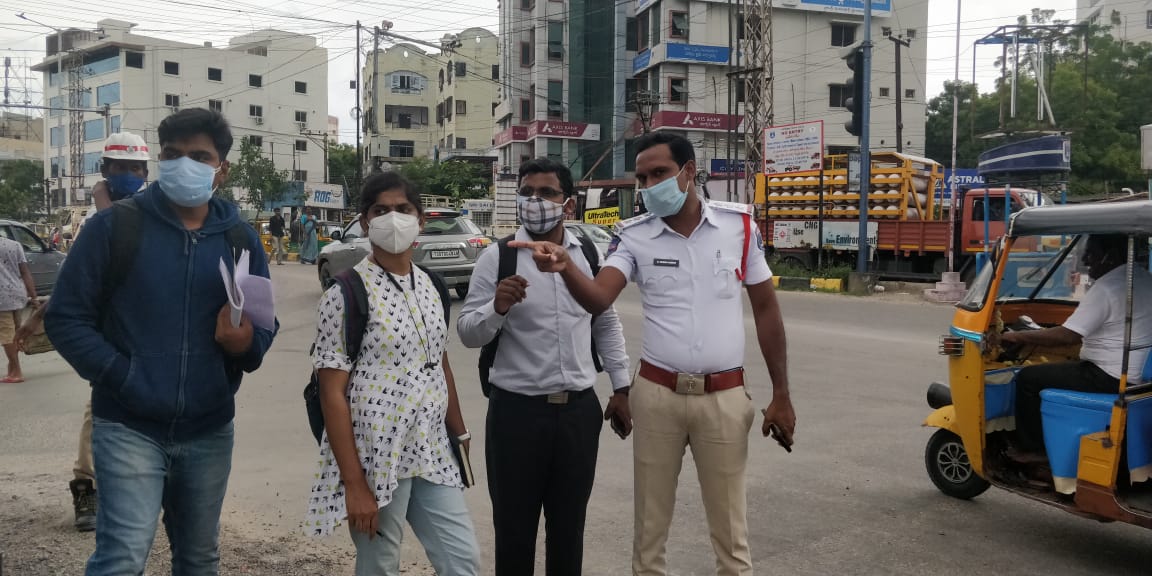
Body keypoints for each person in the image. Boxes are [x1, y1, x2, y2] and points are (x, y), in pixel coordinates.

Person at [511, 132, 795, 576]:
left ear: (689, 171)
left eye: (658, 174)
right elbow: (600, 299)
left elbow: (766, 309)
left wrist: (781, 393)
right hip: (657, 398)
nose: (648, 185)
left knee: (732, 541)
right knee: (649, 537)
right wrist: (566, 267)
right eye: (642, 177)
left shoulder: (739, 228)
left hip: (724, 398)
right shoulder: (633, 236)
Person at [44, 107, 277, 574]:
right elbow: (66, 318)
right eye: (172, 154)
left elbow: (262, 327)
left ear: (222, 169)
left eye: (199, 156)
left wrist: (243, 344)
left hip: (209, 429)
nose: (184, 164)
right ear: (160, 162)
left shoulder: (240, 238)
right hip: (128, 426)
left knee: (198, 557)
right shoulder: (113, 228)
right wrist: (122, 376)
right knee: (122, 557)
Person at [457, 158, 631, 575]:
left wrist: (622, 388)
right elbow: (467, 332)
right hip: (516, 414)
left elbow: (604, 319)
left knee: (569, 532)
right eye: (527, 191)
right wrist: (496, 307)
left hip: (577, 413)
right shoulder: (496, 259)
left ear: (567, 204)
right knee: (514, 534)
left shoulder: (586, 253)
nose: (535, 201)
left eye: (547, 192)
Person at [307, 172, 479, 576]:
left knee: (462, 560)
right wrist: (355, 486)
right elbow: (332, 393)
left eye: (403, 209)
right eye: (380, 210)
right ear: (366, 223)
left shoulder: (434, 287)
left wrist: (461, 432)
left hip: (431, 448)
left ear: (420, 219)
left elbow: (440, 361)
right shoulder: (345, 294)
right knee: (380, 564)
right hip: (374, 456)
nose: (393, 218)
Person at [1002, 234, 1152, 463]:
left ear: (1110, 256)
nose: (1086, 260)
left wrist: (1017, 336)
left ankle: (1034, 450)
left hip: (1110, 375)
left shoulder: (1106, 288)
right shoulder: (1144, 279)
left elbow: (1068, 335)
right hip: (1139, 374)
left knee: (1028, 378)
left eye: (1091, 254)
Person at [0, 234, 37, 384]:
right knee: (15, 333)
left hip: (1, 299)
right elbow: (25, 272)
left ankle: (16, 372)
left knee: (6, 335)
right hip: (17, 293)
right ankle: (12, 367)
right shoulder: (14, 245)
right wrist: (34, 296)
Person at [92, 132, 151, 211]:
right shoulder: (92, 214)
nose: (128, 174)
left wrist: (101, 197)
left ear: (145, 174)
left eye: (135, 168)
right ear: (104, 170)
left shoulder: (152, 207)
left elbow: (117, 221)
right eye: (120, 167)